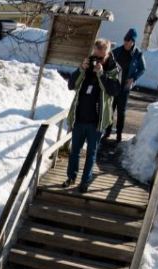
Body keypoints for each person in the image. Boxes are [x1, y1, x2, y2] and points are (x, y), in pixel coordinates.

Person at [63, 38, 121, 193]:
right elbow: (71, 85)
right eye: (95, 56)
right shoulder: (87, 64)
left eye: (100, 57)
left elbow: (114, 91)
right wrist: (81, 69)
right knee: (74, 151)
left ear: (108, 54)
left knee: (91, 153)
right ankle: (71, 177)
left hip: (97, 121)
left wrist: (101, 74)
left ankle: (85, 181)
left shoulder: (114, 69)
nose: (97, 60)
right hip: (80, 118)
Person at [104, 27, 146, 144]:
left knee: (121, 111)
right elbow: (109, 63)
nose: (126, 42)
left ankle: (118, 134)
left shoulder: (138, 54)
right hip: (115, 85)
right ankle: (107, 132)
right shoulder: (117, 51)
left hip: (125, 87)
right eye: (125, 40)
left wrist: (133, 78)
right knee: (110, 109)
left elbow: (143, 69)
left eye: (128, 40)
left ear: (133, 42)